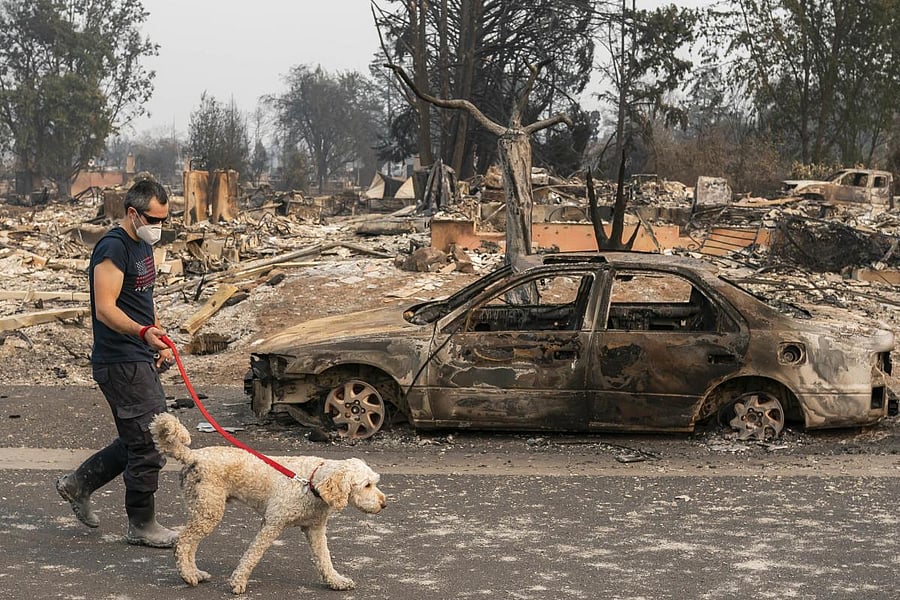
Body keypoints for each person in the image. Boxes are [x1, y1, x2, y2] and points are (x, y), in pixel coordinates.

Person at [55, 178, 179, 548]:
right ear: (132, 213)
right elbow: (105, 309)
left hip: (139, 353)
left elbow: (142, 297)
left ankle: (80, 484)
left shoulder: (142, 244)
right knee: (152, 441)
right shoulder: (112, 248)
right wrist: (142, 333)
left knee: (138, 436)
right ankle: (142, 524)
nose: (159, 227)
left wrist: (156, 335)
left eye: (163, 220)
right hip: (119, 359)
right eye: (153, 220)